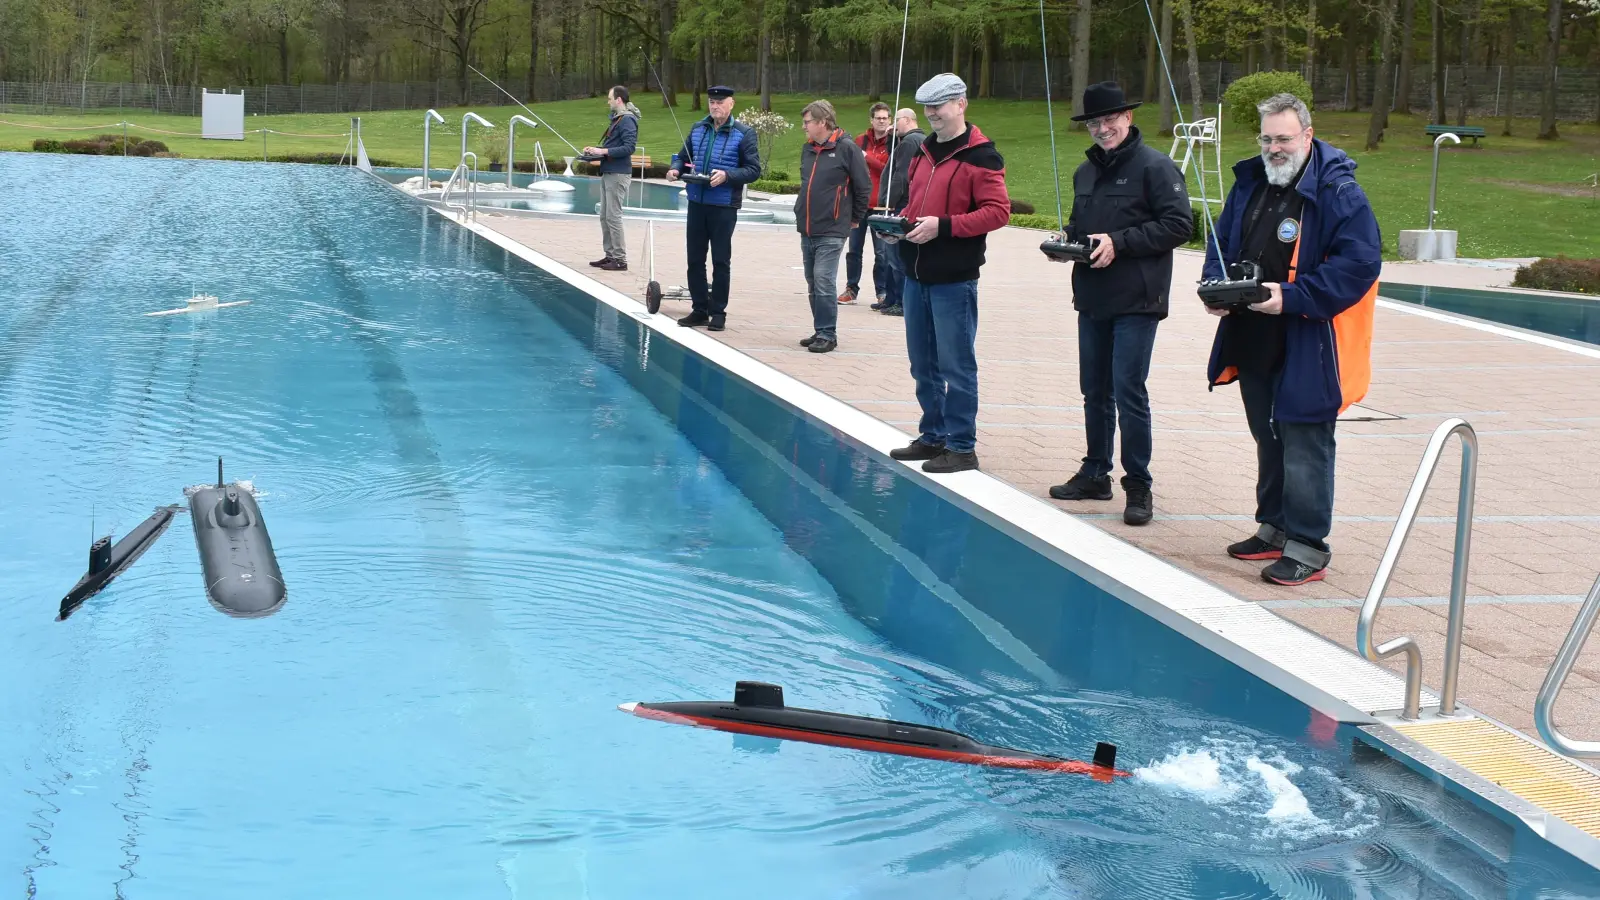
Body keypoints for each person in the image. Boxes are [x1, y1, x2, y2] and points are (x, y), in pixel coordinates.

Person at [1203, 92, 1380, 586]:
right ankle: (1274, 527)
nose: (1274, 148)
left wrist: (1294, 297)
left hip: (1310, 337)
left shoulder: (1340, 192)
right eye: (1267, 138)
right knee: (1268, 435)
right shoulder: (1251, 182)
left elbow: (1361, 264)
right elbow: (1220, 243)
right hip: (1252, 331)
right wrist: (1216, 289)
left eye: (1283, 138)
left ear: (1307, 134)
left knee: (1305, 440)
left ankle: (1307, 545)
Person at [1047, 82, 1193, 527]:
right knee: (1094, 390)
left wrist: (1121, 242)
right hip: (1091, 297)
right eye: (1094, 121)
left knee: (1129, 391)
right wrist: (1064, 243)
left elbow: (1180, 224)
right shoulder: (1084, 172)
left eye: (1110, 119)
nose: (1103, 128)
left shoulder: (1156, 166)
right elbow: (1081, 225)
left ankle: (1139, 484)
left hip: (1138, 298)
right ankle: (1095, 472)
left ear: (1128, 118)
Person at [883, 74, 1011, 475]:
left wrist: (945, 225)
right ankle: (933, 435)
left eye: (940, 105)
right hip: (915, 273)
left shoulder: (982, 155)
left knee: (956, 366)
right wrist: (897, 225)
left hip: (954, 278)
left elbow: (998, 211)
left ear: (961, 104)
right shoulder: (921, 151)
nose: (932, 113)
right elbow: (914, 202)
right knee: (922, 364)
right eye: (927, 107)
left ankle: (961, 446)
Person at [667, 85, 762, 332]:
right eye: (712, 102)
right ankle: (700, 309)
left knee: (721, 260)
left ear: (732, 103)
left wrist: (728, 175)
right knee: (694, 259)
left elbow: (753, 170)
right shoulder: (698, 128)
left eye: (720, 102)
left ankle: (718, 311)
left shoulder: (744, 133)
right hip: (697, 202)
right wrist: (676, 168)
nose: (715, 106)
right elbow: (682, 156)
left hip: (723, 205)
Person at [794, 100, 872, 354]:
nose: (803, 127)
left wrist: (854, 218)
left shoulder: (847, 148)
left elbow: (863, 187)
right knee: (812, 281)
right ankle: (820, 330)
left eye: (807, 122)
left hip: (833, 228)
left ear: (822, 122)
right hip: (808, 226)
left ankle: (828, 333)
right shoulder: (808, 149)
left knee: (824, 279)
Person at [842, 102, 893, 306]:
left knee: (882, 253)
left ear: (890, 120)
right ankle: (851, 289)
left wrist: (867, 158)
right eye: (878, 117)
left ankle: (882, 291)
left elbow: (887, 170)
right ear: (871, 120)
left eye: (885, 118)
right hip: (859, 205)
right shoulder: (860, 141)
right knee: (854, 250)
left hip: (881, 206)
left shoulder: (894, 143)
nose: (882, 121)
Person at [582, 85, 638, 271]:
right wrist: (594, 152)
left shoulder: (627, 120)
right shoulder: (618, 119)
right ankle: (610, 255)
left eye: (610, 98)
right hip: (609, 172)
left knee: (613, 217)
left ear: (619, 99)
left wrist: (602, 151)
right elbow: (614, 145)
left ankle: (620, 260)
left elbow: (629, 148)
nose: (608, 101)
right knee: (605, 216)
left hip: (618, 174)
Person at [875, 108, 924, 317]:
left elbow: (900, 175)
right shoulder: (910, 140)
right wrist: (891, 138)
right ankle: (892, 298)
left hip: (899, 205)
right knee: (890, 254)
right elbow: (892, 159)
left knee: (896, 257)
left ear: (906, 120)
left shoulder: (911, 142)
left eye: (895, 120)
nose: (891, 125)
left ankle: (901, 302)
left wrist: (888, 202)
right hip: (902, 203)